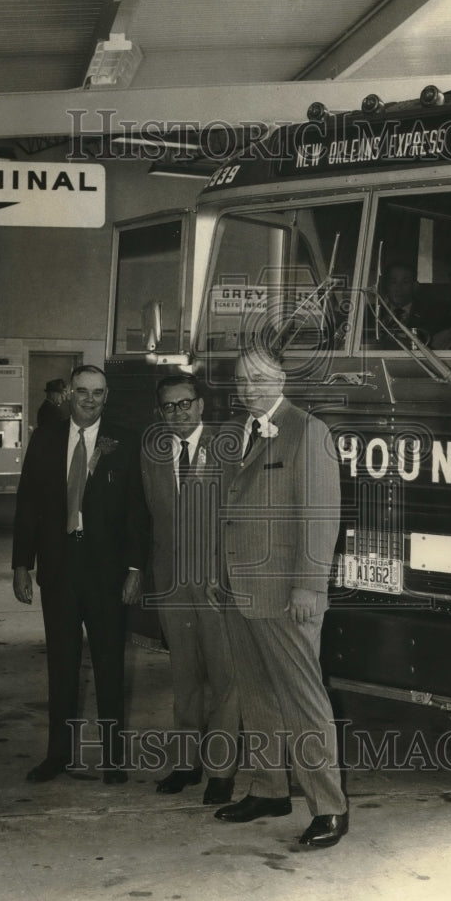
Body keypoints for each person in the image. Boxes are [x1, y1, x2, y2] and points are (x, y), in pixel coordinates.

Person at [205, 349, 348, 849]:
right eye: (241, 380)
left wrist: (309, 585)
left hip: (288, 593)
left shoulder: (308, 431)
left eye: (259, 378)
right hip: (240, 589)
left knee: (305, 701)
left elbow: (321, 516)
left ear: (281, 378)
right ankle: (268, 789)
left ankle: (329, 807)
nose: (249, 388)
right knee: (257, 695)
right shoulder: (235, 432)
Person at [12, 365, 148, 784]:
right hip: (58, 571)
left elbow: (137, 511)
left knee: (110, 666)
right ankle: (58, 755)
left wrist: (135, 569)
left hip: (107, 574)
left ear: (107, 397)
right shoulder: (46, 439)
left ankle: (112, 759)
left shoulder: (124, 442)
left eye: (98, 393)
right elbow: (27, 503)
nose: (90, 399)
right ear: (69, 394)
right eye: (83, 391)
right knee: (61, 665)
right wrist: (21, 563)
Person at [141, 375, 240, 806]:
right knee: (183, 677)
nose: (177, 413)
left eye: (185, 404)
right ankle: (186, 763)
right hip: (173, 584)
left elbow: (242, 518)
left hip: (217, 583)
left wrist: (229, 573)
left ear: (201, 406)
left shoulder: (229, 448)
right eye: (168, 407)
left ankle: (221, 771)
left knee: (224, 678)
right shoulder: (153, 454)